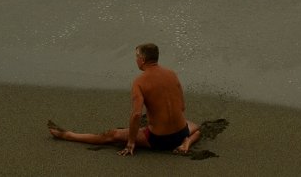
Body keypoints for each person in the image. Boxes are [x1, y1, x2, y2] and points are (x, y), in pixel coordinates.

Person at [48, 42, 201, 156]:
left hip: (159, 140)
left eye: (136, 56)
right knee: (195, 127)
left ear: (142, 59)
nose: (136, 60)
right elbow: (181, 107)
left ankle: (68, 135)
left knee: (111, 135)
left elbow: (135, 115)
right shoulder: (172, 74)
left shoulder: (139, 82)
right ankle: (187, 141)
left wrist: (131, 142)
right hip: (181, 133)